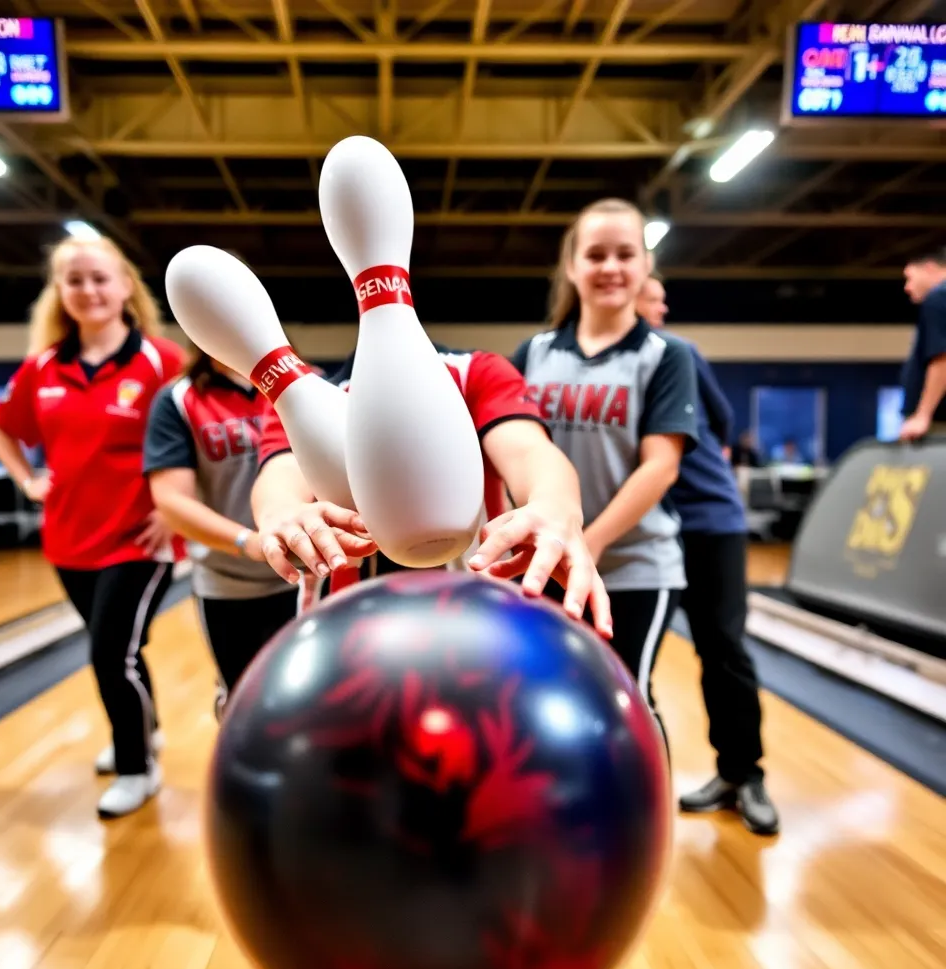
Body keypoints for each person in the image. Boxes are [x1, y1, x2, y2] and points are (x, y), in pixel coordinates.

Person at [0, 235, 185, 819]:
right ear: (60, 291)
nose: (88, 290)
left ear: (125, 286)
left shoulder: (162, 362)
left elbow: (196, 434)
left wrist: (174, 505)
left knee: (108, 655)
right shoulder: (43, 366)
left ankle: (136, 768)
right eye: (74, 280)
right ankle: (143, 731)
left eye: (99, 278)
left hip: (139, 540)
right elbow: (0, 426)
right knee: (123, 651)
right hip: (69, 540)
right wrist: (27, 479)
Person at [248, 345, 613, 637]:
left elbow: (529, 451)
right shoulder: (310, 400)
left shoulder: (474, 373)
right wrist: (279, 512)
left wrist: (554, 501)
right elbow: (280, 478)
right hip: (347, 629)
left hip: (480, 619)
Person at [511, 198, 700, 750]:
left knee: (628, 702)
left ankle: (650, 808)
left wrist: (585, 545)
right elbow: (507, 454)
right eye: (595, 255)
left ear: (646, 265)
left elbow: (660, 467)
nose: (610, 267)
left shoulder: (666, 356)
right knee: (542, 701)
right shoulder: (534, 353)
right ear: (572, 267)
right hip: (545, 564)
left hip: (634, 566)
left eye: (625, 254)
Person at [637, 274, 779, 835]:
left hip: (709, 523)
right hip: (646, 529)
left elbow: (721, 421)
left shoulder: (679, 353)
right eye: (654, 298)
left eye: (660, 298)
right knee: (632, 659)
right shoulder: (602, 362)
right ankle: (633, 788)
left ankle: (743, 775)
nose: (662, 306)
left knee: (722, 649)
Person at [143, 344, 299, 718]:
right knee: (245, 701)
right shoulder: (178, 400)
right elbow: (171, 500)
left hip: (305, 577)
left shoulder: (304, 385)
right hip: (229, 581)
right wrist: (247, 542)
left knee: (306, 699)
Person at [899, 247, 946, 441]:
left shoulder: (939, 297)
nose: (907, 287)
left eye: (909, 278)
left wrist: (923, 415)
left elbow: (942, 357)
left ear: (929, 268)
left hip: (939, 424)